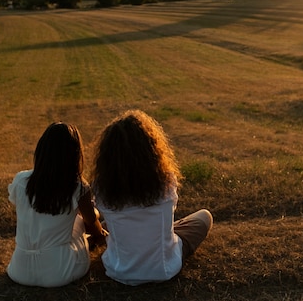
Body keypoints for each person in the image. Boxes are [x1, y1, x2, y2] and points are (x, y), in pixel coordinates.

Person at [90, 109, 213, 286]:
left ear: (107, 155)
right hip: (165, 268)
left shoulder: (101, 188)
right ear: (152, 149)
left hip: (118, 270)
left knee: (109, 223)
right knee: (204, 216)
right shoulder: (167, 181)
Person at [7, 122, 107, 288]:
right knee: (79, 221)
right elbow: (91, 222)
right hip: (60, 272)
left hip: (19, 270)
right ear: (74, 154)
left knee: (66, 221)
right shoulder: (78, 187)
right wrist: (100, 234)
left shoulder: (21, 181)